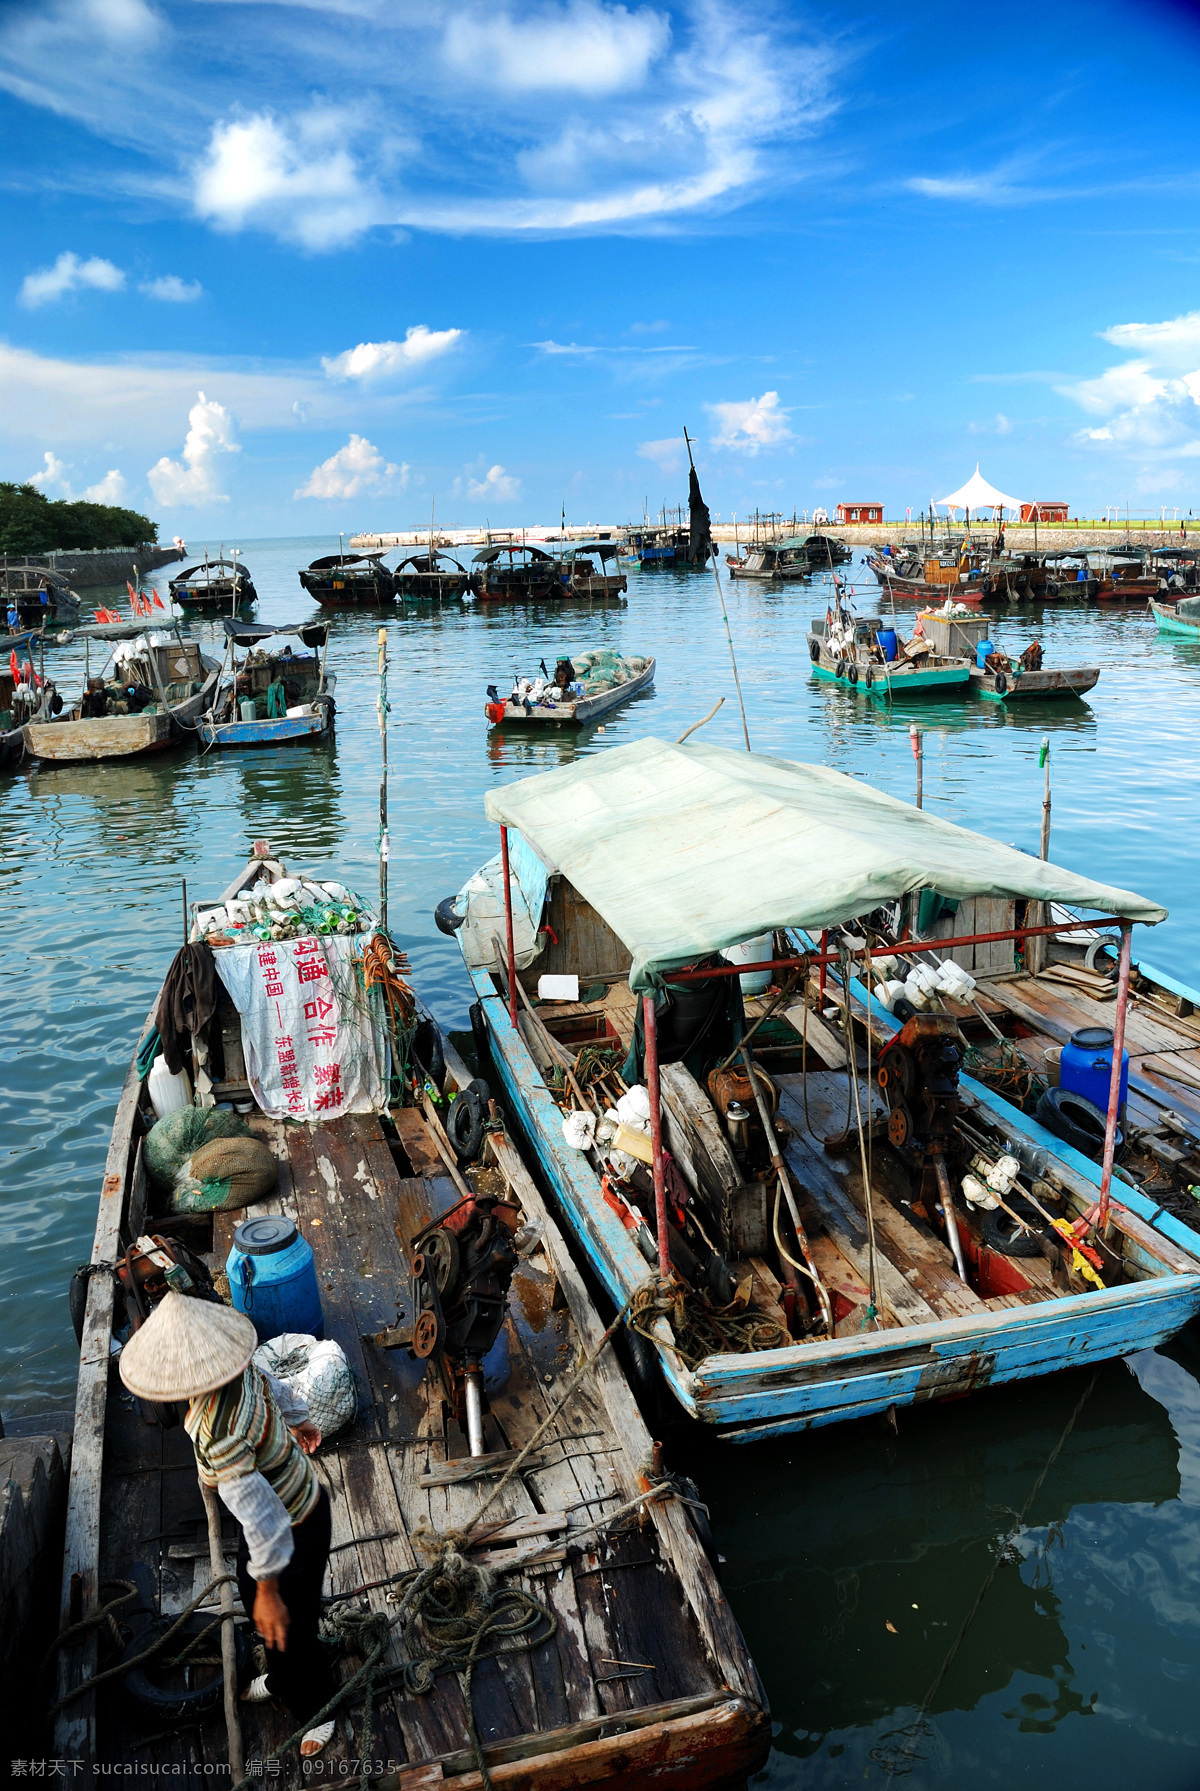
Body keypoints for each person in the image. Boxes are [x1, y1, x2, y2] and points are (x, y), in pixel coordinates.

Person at [118, 1292, 336, 1758]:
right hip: (307, 1500)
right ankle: (284, 1669)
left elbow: (266, 1520)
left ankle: (318, 1705)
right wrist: (300, 1421)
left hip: (293, 1525)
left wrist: (269, 1593)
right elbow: (278, 1390)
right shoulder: (244, 1370)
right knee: (254, 1589)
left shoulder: (218, 1435)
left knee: (286, 1629)